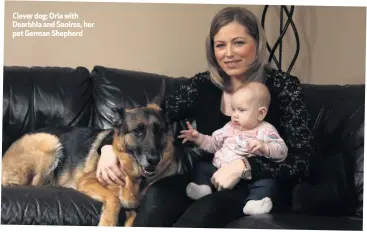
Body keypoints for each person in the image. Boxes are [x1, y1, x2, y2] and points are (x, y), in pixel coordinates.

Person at [96, 6, 316, 228]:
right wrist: (106, 148)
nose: (228, 53)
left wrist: (245, 166)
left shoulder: (283, 87)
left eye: (238, 42)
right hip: (205, 181)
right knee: (156, 197)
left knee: (202, 213)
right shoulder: (202, 85)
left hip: (256, 190)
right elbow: (149, 116)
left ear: (257, 44)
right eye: (220, 45)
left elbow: (302, 161)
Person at [179, 82, 288, 215]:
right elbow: (213, 143)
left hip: (247, 178)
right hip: (219, 171)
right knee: (201, 167)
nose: (235, 115)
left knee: (267, 182)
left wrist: (265, 147)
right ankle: (203, 189)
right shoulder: (229, 127)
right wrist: (198, 138)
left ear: (260, 114)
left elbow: (282, 151)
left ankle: (255, 202)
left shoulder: (266, 130)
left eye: (241, 110)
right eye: (233, 109)